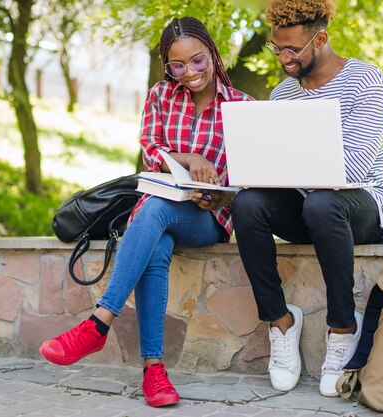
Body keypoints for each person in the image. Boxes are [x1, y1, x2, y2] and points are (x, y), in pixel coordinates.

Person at [39, 17, 251, 408]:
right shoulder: (160, 96)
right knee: (156, 234)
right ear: (167, 66)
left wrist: (219, 196)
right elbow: (149, 150)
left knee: (153, 211)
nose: (189, 73)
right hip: (160, 209)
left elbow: (253, 181)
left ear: (212, 53)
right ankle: (154, 372)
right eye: (178, 65)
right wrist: (187, 157)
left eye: (198, 61)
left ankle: (97, 323)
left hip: (209, 219)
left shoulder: (242, 107)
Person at [230, 0, 383, 397]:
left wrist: (295, 175)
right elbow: (277, 170)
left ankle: (343, 328)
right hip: (309, 206)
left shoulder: (366, 80)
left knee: (321, 201)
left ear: (320, 39)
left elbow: (357, 168)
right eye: (278, 48)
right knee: (248, 203)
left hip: (364, 204)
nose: (284, 57)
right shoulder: (282, 95)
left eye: (293, 49)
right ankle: (280, 322)